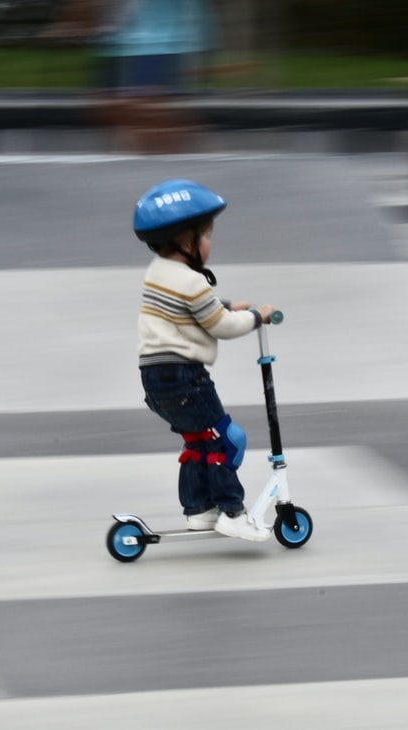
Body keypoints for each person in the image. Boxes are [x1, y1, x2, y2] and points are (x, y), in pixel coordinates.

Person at [133, 179, 276, 541]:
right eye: (207, 236)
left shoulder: (158, 272)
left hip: (154, 377)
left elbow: (189, 314)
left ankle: (199, 510)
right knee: (226, 440)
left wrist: (225, 304)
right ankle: (232, 512)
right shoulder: (193, 282)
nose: (211, 243)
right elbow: (222, 326)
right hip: (186, 377)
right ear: (186, 241)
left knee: (198, 441)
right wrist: (256, 316)